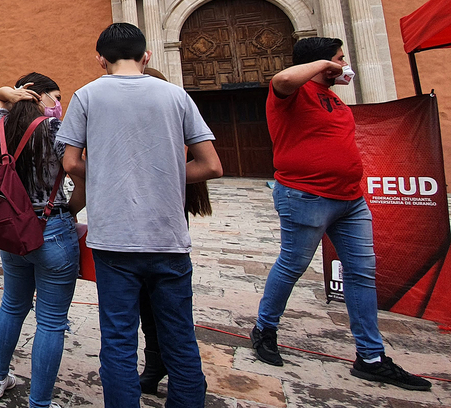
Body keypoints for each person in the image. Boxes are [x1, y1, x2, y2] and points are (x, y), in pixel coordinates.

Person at [250, 37, 431, 391]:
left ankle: (371, 356)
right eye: (338, 59)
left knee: (362, 272)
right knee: (293, 265)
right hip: (305, 196)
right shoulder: (290, 94)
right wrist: (323, 65)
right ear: (322, 64)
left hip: (351, 200)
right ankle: (264, 328)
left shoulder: (332, 97)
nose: (344, 65)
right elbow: (282, 81)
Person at [58, 23, 223, 408]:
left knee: (117, 341)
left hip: (113, 239)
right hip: (167, 238)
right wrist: (159, 170)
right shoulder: (176, 96)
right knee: (180, 339)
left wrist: (113, 172)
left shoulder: (86, 96)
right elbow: (211, 166)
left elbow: (70, 162)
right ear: (146, 55)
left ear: (100, 59)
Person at [0, 73, 78, 408]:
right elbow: (78, 167)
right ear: (39, 96)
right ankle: (39, 402)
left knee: (12, 304)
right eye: (55, 96)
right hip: (51, 226)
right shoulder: (55, 129)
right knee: (52, 322)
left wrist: (8, 92)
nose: (59, 103)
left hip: (14, 229)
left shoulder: (1, 128)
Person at [137, 68, 214, 395]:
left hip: (151, 233)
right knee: (159, 308)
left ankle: (182, 379)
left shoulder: (158, 129)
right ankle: (159, 365)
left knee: (163, 309)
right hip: (164, 234)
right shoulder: (172, 122)